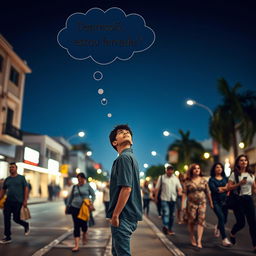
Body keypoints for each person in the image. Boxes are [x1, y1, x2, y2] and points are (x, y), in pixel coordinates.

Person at [107, 124, 142, 256]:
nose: (126, 133)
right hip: (129, 215)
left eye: (128, 132)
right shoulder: (131, 158)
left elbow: (126, 188)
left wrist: (115, 215)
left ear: (132, 140)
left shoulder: (124, 158)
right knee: (116, 252)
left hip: (123, 216)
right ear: (114, 142)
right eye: (121, 132)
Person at [228, 154, 256, 252]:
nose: (243, 162)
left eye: (245, 160)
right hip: (238, 200)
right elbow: (229, 187)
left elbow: (254, 187)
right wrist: (239, 184)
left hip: (248, 199)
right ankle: (232, 233)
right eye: (241, 160)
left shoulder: (251, 174)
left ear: (247, 162)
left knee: (253, 223)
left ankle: (255, 246)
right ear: (238, 163)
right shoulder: (234, 174)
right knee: (241, 223)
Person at [182, 163, 213, 248]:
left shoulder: (203, 180)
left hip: (202, 203)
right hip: (191, 204)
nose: (197, 170)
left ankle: (199, 240)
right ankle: (192, 237)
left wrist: (211, 202)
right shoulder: (187, 181)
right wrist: (183, 206)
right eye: (195, 169)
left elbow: (208, 192)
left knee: (201, 221)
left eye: (198, 168)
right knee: (191, 221)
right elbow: (184, 194)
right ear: (191, 171)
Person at [0, 162, 30, 244]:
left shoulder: (21, 178)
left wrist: (25, 200)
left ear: (16, 168)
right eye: (10, 167)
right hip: (8, 202)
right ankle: (7, 236)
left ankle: (25, 225)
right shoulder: (7, 179)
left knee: (16, 219)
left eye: (13, 167)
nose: (11, 169)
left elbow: (26, 189)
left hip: (18, 202)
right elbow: (3, 190)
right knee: (6, 218)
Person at [66, 172, 95, 252]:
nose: (79, 180)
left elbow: (93, 195)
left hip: (84, 208)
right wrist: (67, 205)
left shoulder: (88, 186)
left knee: (84, 225)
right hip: (74, 207)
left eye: (81, 179)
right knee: (76, 226)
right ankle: (76, 245)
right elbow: (70, 197)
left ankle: (84, 235)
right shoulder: (75, 187)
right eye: (78, 179)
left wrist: (91, 202)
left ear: (84, 179)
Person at [208, 163, 232, 246]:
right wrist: (223, 188)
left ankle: (218, 227)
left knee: (224, 220)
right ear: (214, 169)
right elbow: (214, 190)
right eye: (217, 167)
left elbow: (228, 188)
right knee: (221, 218)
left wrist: (222, 188)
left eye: (220, 167)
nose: (219, 168)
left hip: (225, 201)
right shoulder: (211, 180)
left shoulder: (225, 178)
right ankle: (224, 239)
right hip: (216, 202)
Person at [155, 165, 182, 235]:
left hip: (173, 199)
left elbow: (179, 187)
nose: (170, 171)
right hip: (164, 198)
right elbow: (157, 188)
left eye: (171, 170)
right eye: (168, 170)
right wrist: (156, 197)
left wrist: (179, 191)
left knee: (172, 215)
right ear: (166, 170)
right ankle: (166, 227)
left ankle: (170, 229)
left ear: (173, 171)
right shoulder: (161, 178)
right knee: (166, 213)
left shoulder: (176, 178)